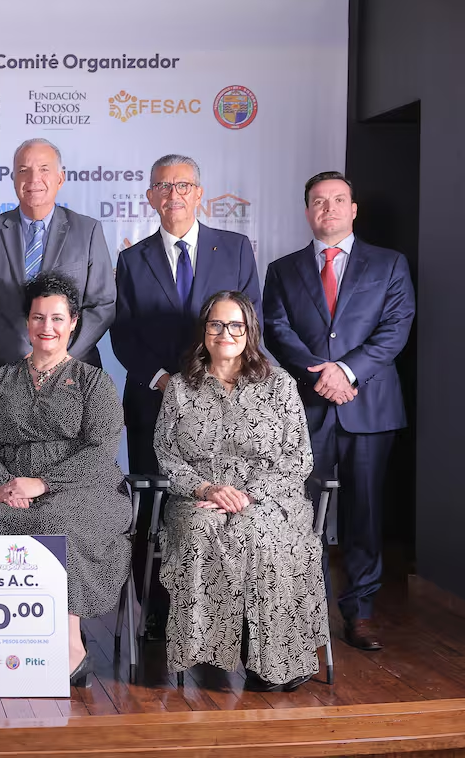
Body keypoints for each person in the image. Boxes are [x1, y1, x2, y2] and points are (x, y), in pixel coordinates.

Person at [110, 154, 261, 639]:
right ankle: (156, 609)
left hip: (225, 404)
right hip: (154, 401)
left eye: (182, 186)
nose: (173, 195)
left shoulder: (235, 248)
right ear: (150, 197)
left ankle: (224, 612)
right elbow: (122, 333)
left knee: (220, 503)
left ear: (199, 193)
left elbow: (250, 321)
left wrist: (219, 378)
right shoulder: (132, 259)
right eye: (163, 186)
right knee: (154, 506)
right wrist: (161, 379)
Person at [263, 172, 415, 652]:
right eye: (318, 201)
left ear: (353, 209)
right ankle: (304, 614)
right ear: (307, 211)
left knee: (363, 515)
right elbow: (276, 329)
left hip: (368, 407)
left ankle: (360, 613)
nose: (328, 208)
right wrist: (320, 375)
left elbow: (396, 327)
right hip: (306, 410)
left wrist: (346, 372)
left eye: (338, 200)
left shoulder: (389, 264)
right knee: (301, 515)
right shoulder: (282, 269)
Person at [154, 290, 325, 692]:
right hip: (199, 497)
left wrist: (249, 495)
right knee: (200, 529)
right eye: (216, 324)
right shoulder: (180, 388)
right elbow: (166, 454)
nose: (225, 333)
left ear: (250, 332)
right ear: (204, 330)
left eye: (235, 325)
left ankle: (272, 657)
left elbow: (298, 457)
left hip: (270, 498)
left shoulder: (279, 384)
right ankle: (212, 652)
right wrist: (207, 488)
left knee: (257, 530)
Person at [0, 272, 130, 686]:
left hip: (86, 488)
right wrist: (3, 484)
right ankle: (9, 646)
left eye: (57, 318)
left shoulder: (95, 382)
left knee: (54, 523)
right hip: (13, 488)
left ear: (73, 322)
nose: (47, 327)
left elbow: (101, 450)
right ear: (27, 321)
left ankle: (71, 646)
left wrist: (42, 484)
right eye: (39, 317)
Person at [0, 138, 115, 375]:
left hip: (73, 369)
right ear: (14, 178)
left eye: (44, 169)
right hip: (5, 369)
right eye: (24, 170)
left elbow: (102, 303)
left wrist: (61, 357)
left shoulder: (88, 231)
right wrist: (21, 354)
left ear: (60, 179)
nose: (34, 179)